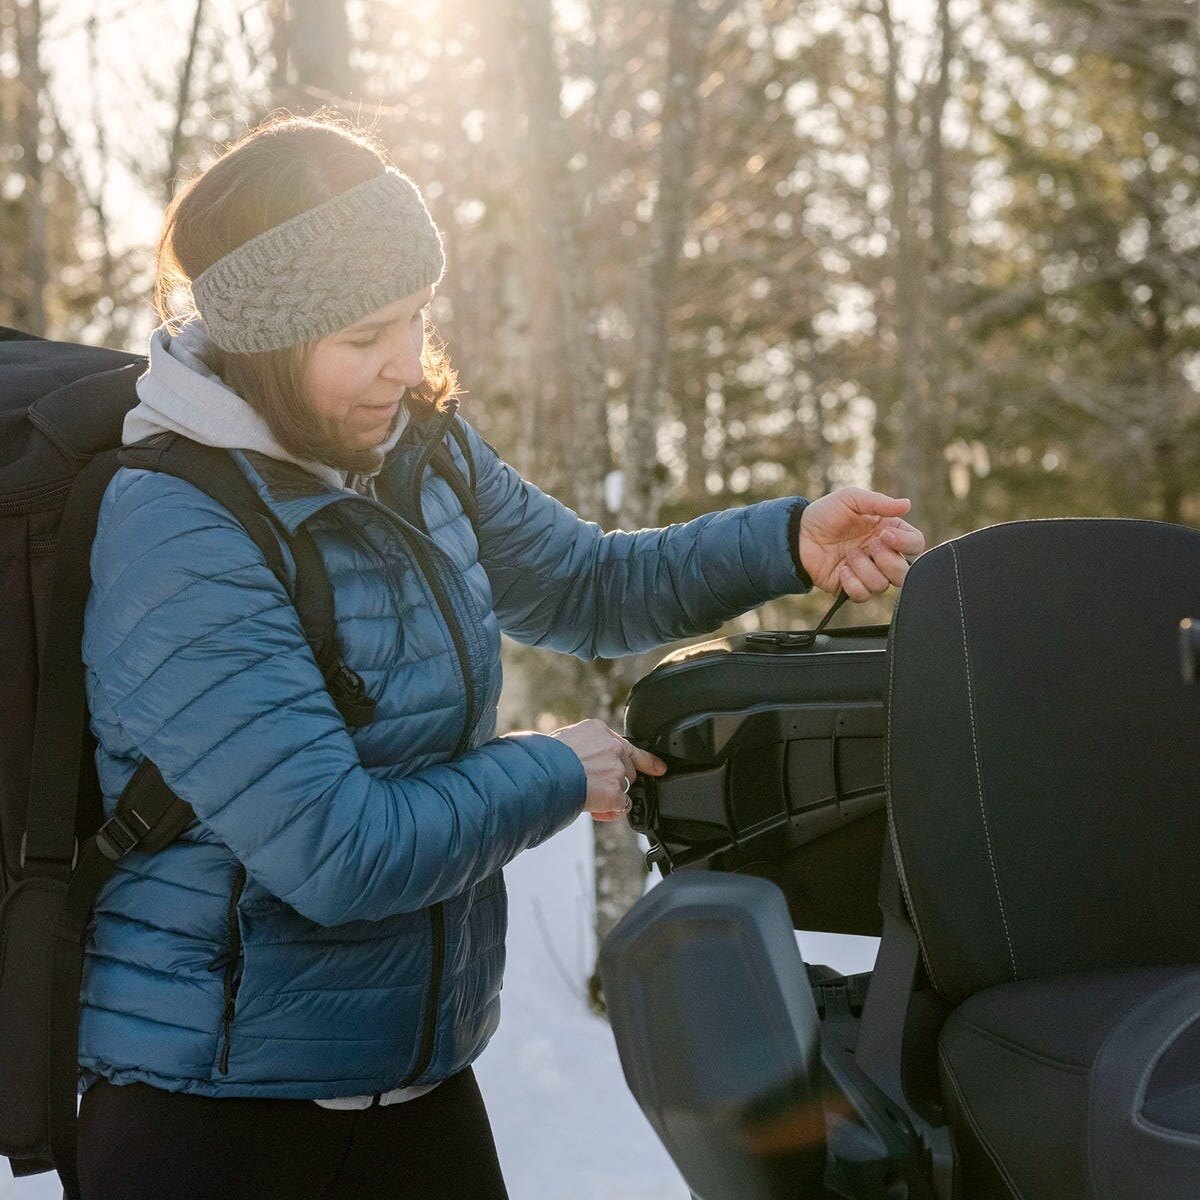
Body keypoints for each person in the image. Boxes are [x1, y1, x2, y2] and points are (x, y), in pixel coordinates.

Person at [75, 111, 925, 1200]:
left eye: (414, 317)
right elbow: (338, 852)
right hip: (213, 1123)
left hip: (414, 1088)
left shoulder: (412, 451)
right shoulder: (178, 529)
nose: (400, 363)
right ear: (267, 340)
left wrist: (785, 540)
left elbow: (586, 584)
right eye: (361, 336)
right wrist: (556, 770)